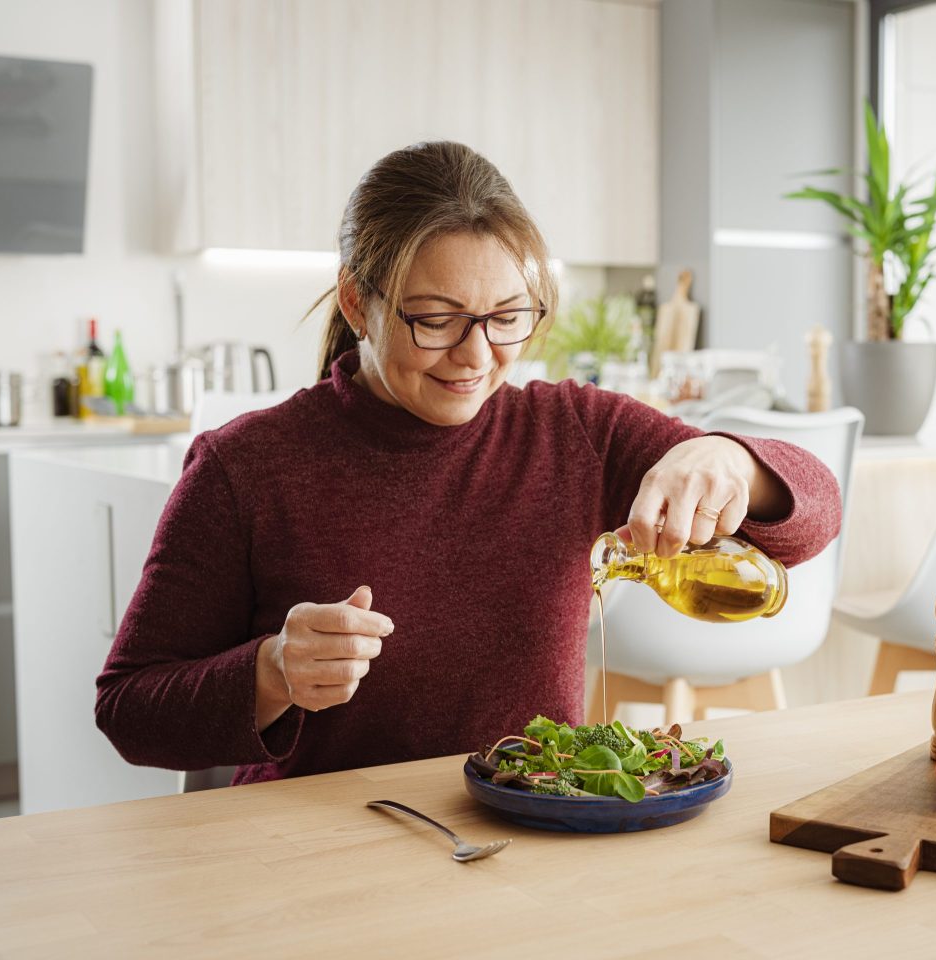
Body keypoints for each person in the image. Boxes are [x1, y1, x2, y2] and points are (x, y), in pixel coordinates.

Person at [96, 141, 842, 784]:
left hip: (523, 834)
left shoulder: (573, 430)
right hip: (317, 851)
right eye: (438, 320)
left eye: (508, 317)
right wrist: (270, 674)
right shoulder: (247, 466)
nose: (479, 355)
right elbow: (128, 710)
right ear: (359, 304)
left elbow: (813, 518)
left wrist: (726, 458)